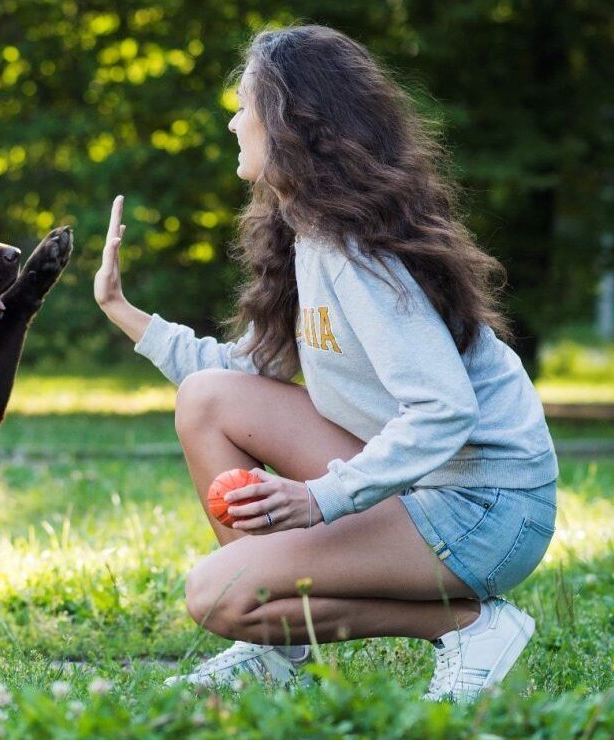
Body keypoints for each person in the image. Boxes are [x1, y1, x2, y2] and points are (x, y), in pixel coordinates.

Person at [93, 25, 558, 701]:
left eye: (243, 105)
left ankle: (471, 624)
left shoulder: (353, 251)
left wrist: (320, 499)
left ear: (287, 121)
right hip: (433, 487)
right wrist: (124, 312)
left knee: (218, 592)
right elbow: (245, 373)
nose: (232, 121)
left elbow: (445, 408)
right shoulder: (307, 234)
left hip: (487, 506)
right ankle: (282, 649)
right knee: (207, 398)